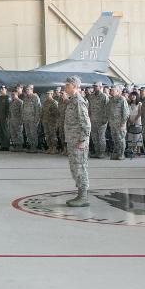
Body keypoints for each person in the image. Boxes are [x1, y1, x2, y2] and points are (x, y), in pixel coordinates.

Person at [61, 77, 92, 207]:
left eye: (67, 85)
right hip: (73, 139)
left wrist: (83, 140)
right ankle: (80, 194)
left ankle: (83, 196)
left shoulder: (78, 101)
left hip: (78, 141)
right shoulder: (73, 101)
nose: (65, 87)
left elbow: (86, 123)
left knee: (80, 167)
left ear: (74, 86)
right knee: (75, 167)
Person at [105, 85, 128, 160]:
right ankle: (118, 153)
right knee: (115, 139)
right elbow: (108, 111)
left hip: (120, 123)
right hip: (112, 123)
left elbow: (126, 112)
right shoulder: (110, 100)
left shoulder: (122, 99)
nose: (111, 91)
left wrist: (123, 123)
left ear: (118, 91)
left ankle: (121, 154)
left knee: (120, 139)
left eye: (113, 90)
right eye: (111, 90)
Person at [88, 83, 109, 158]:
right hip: (93, 120)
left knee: (101, 137)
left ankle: (102, 153)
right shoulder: (91, 96)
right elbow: (89, 108)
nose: (94, 88)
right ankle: (97, 152)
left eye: (96, 86)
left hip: (101, 121)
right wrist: (89, 118)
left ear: (100, 87)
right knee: (94, 137)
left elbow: (107, 108)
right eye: (94, 86)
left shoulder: (104, 96)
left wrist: (105, 119)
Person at [21, 85, 41, 154]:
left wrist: (37, 119)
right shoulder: (25, 98)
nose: (27, 91)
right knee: (28, 133)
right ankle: (30, 146)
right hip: (26, 119)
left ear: (32, 89)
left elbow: (38, 109)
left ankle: (34, 147)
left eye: (28, 89)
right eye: (26, 89)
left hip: (32, 119)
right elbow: (23, 108)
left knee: (33, 133)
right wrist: (23, 117)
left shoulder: (35, 97)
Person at [0, 86, 12, 151]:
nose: (1, 90)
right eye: (0, 89)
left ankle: (6, 146)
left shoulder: (8, 98)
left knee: (5, 132)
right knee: (0, 132)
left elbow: (8, 109)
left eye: (3, 89)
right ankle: (2, 145)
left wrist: (7, 117)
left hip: (5, 118)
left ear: (6, 90)